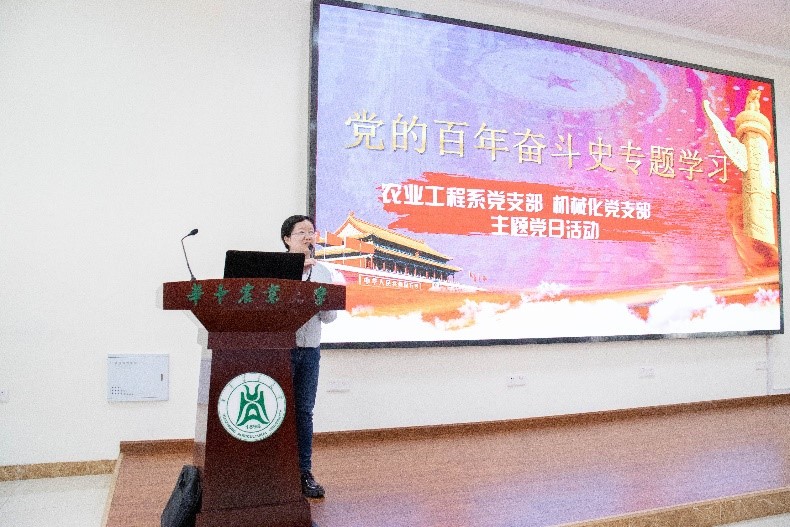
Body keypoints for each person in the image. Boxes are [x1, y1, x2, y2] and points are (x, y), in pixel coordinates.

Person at [280, 214, 338, 499]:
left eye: (311, 231)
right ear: (286, 239)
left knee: (303, 412)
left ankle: (303, 472)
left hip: (310, 350)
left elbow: (329, 317)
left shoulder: (323, 272)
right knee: (278, 411)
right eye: (301, 232)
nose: (307, 237)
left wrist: (321, 300)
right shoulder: (276, 270)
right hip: (281, 350)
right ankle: (276, 472)